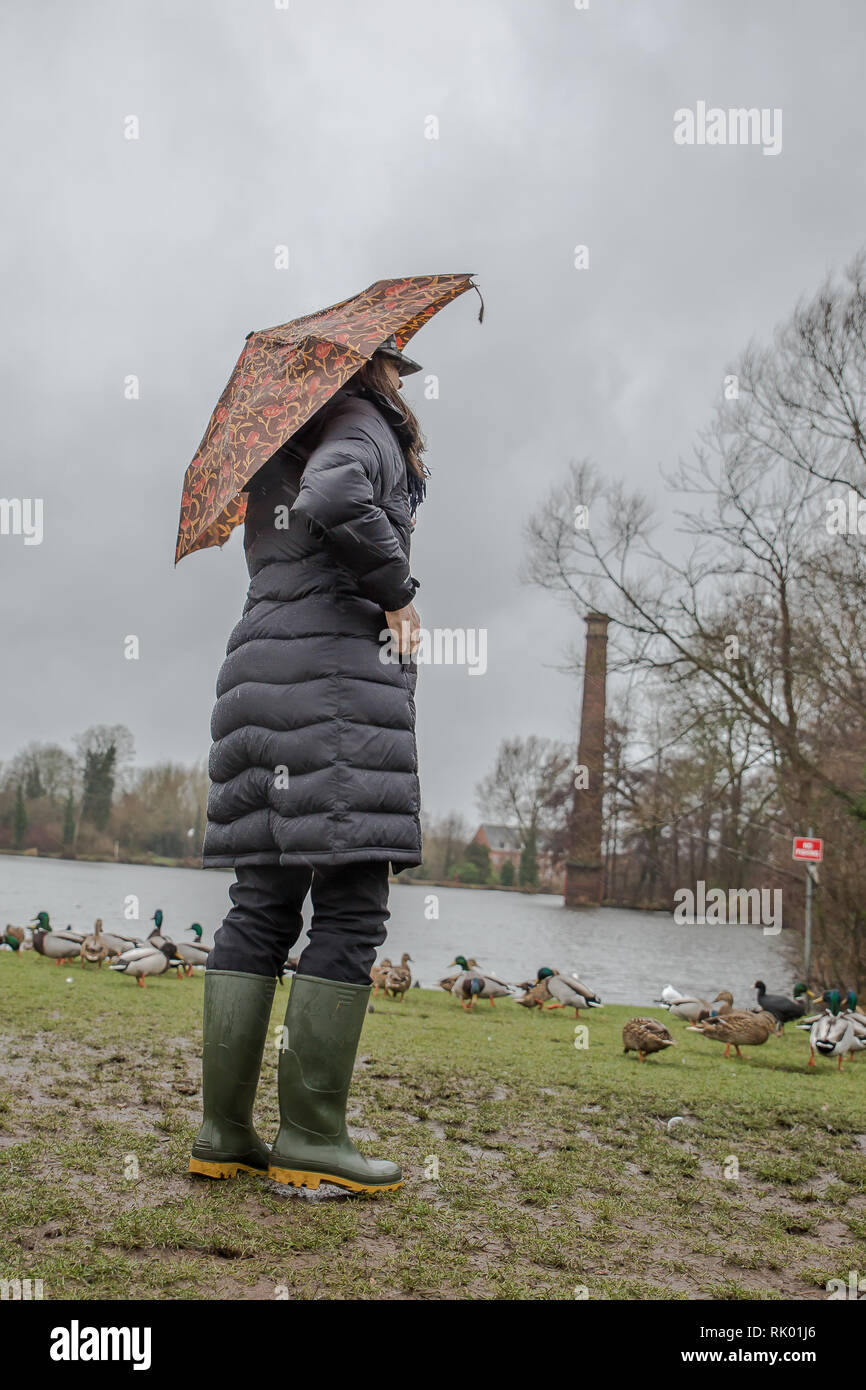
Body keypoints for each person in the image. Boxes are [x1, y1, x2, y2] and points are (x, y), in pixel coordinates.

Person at [189, 334, 426, 1195]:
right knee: (354, 906)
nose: (407, 382)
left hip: (255, 689)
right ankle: (313, 1137)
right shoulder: (363, 421)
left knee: (261, 905)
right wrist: (397, 591)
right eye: (401, 366)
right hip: (333, 700)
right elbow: (337, 495)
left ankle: (223, 1133)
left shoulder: (274, 445)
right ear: (370, 368)